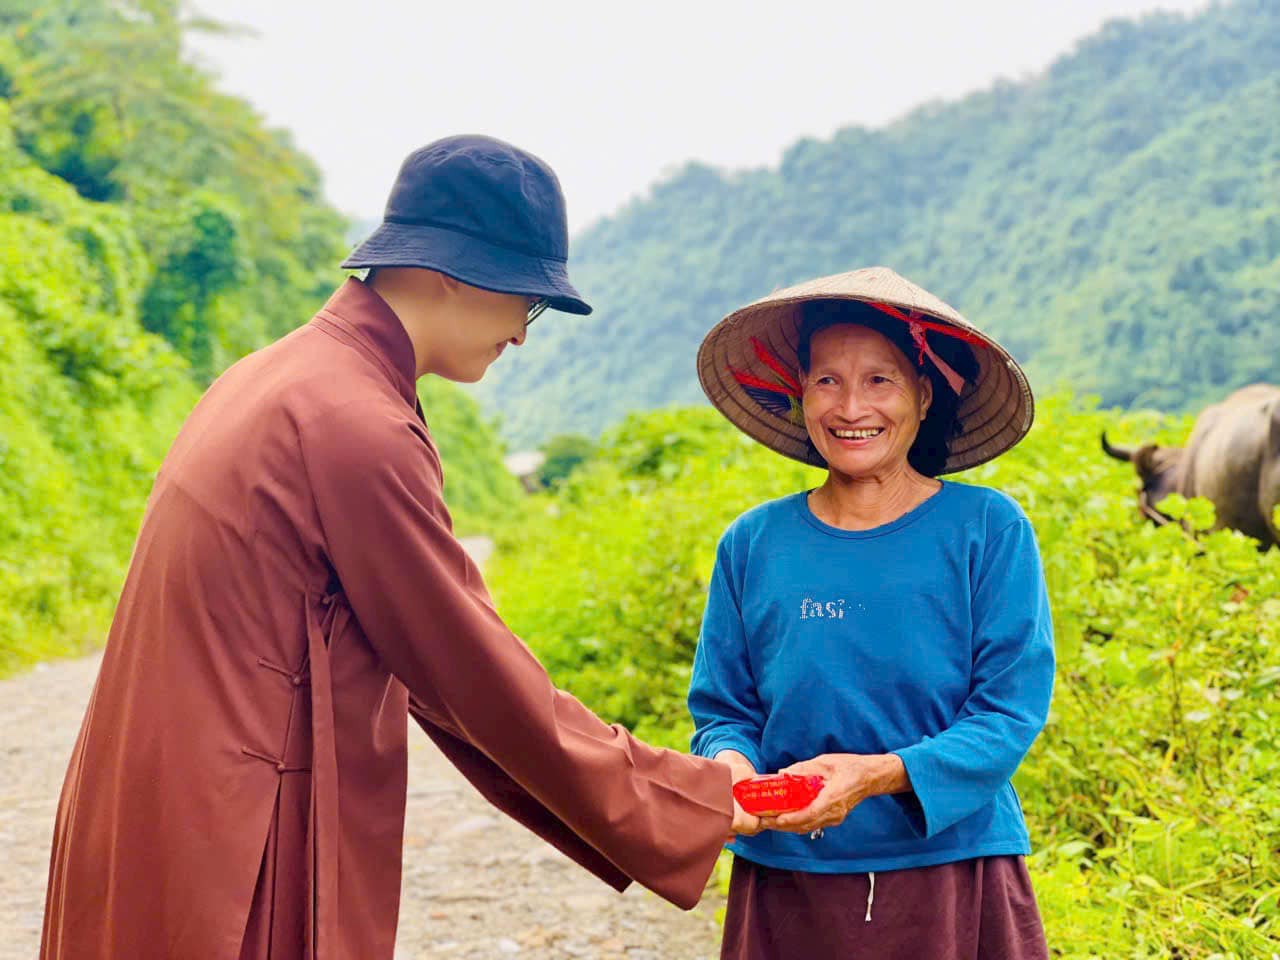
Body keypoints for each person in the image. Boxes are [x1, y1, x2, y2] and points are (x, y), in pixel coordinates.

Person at [41, 135, 757, 960]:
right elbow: (468, 669)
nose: (522, 338)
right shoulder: (355, 423)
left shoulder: (277, 375)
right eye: (525, 305)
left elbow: (439, 673)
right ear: (452, 271)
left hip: (164, 795)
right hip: (237, 825)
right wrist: (696, 797)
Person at [688, 267, 1055, 960]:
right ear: (798, 397)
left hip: (952, 868)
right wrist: (734, 770)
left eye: (880, 380)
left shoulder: (987, 529)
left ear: (922, 394)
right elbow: (723, 711)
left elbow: (1009, 712)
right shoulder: (754, 543)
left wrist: (875, 775)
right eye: (827, 380)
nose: (851, 405)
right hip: (790, 874)